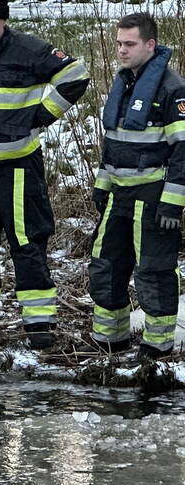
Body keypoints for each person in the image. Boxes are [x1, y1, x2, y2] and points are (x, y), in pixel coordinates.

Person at [0, 0, 89, 350]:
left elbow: (76, 76)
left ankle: (39, 323)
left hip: (18, 167)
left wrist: (41, 115)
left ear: (4, 22)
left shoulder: (31, 49)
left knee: (27, 242)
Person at [83, 12, 185, 361]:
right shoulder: (124, 83)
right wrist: (101, 185)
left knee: (153, 271)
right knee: (105, 263)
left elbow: (183, 151)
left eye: (129, 44)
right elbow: (113, 145)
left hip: (153, 197)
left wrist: (173, 203)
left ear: (150, 45)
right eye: (118, 44)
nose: (121, 51)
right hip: (118, 195)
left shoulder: (172, 89)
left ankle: (157, 347)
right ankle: (109, 340)